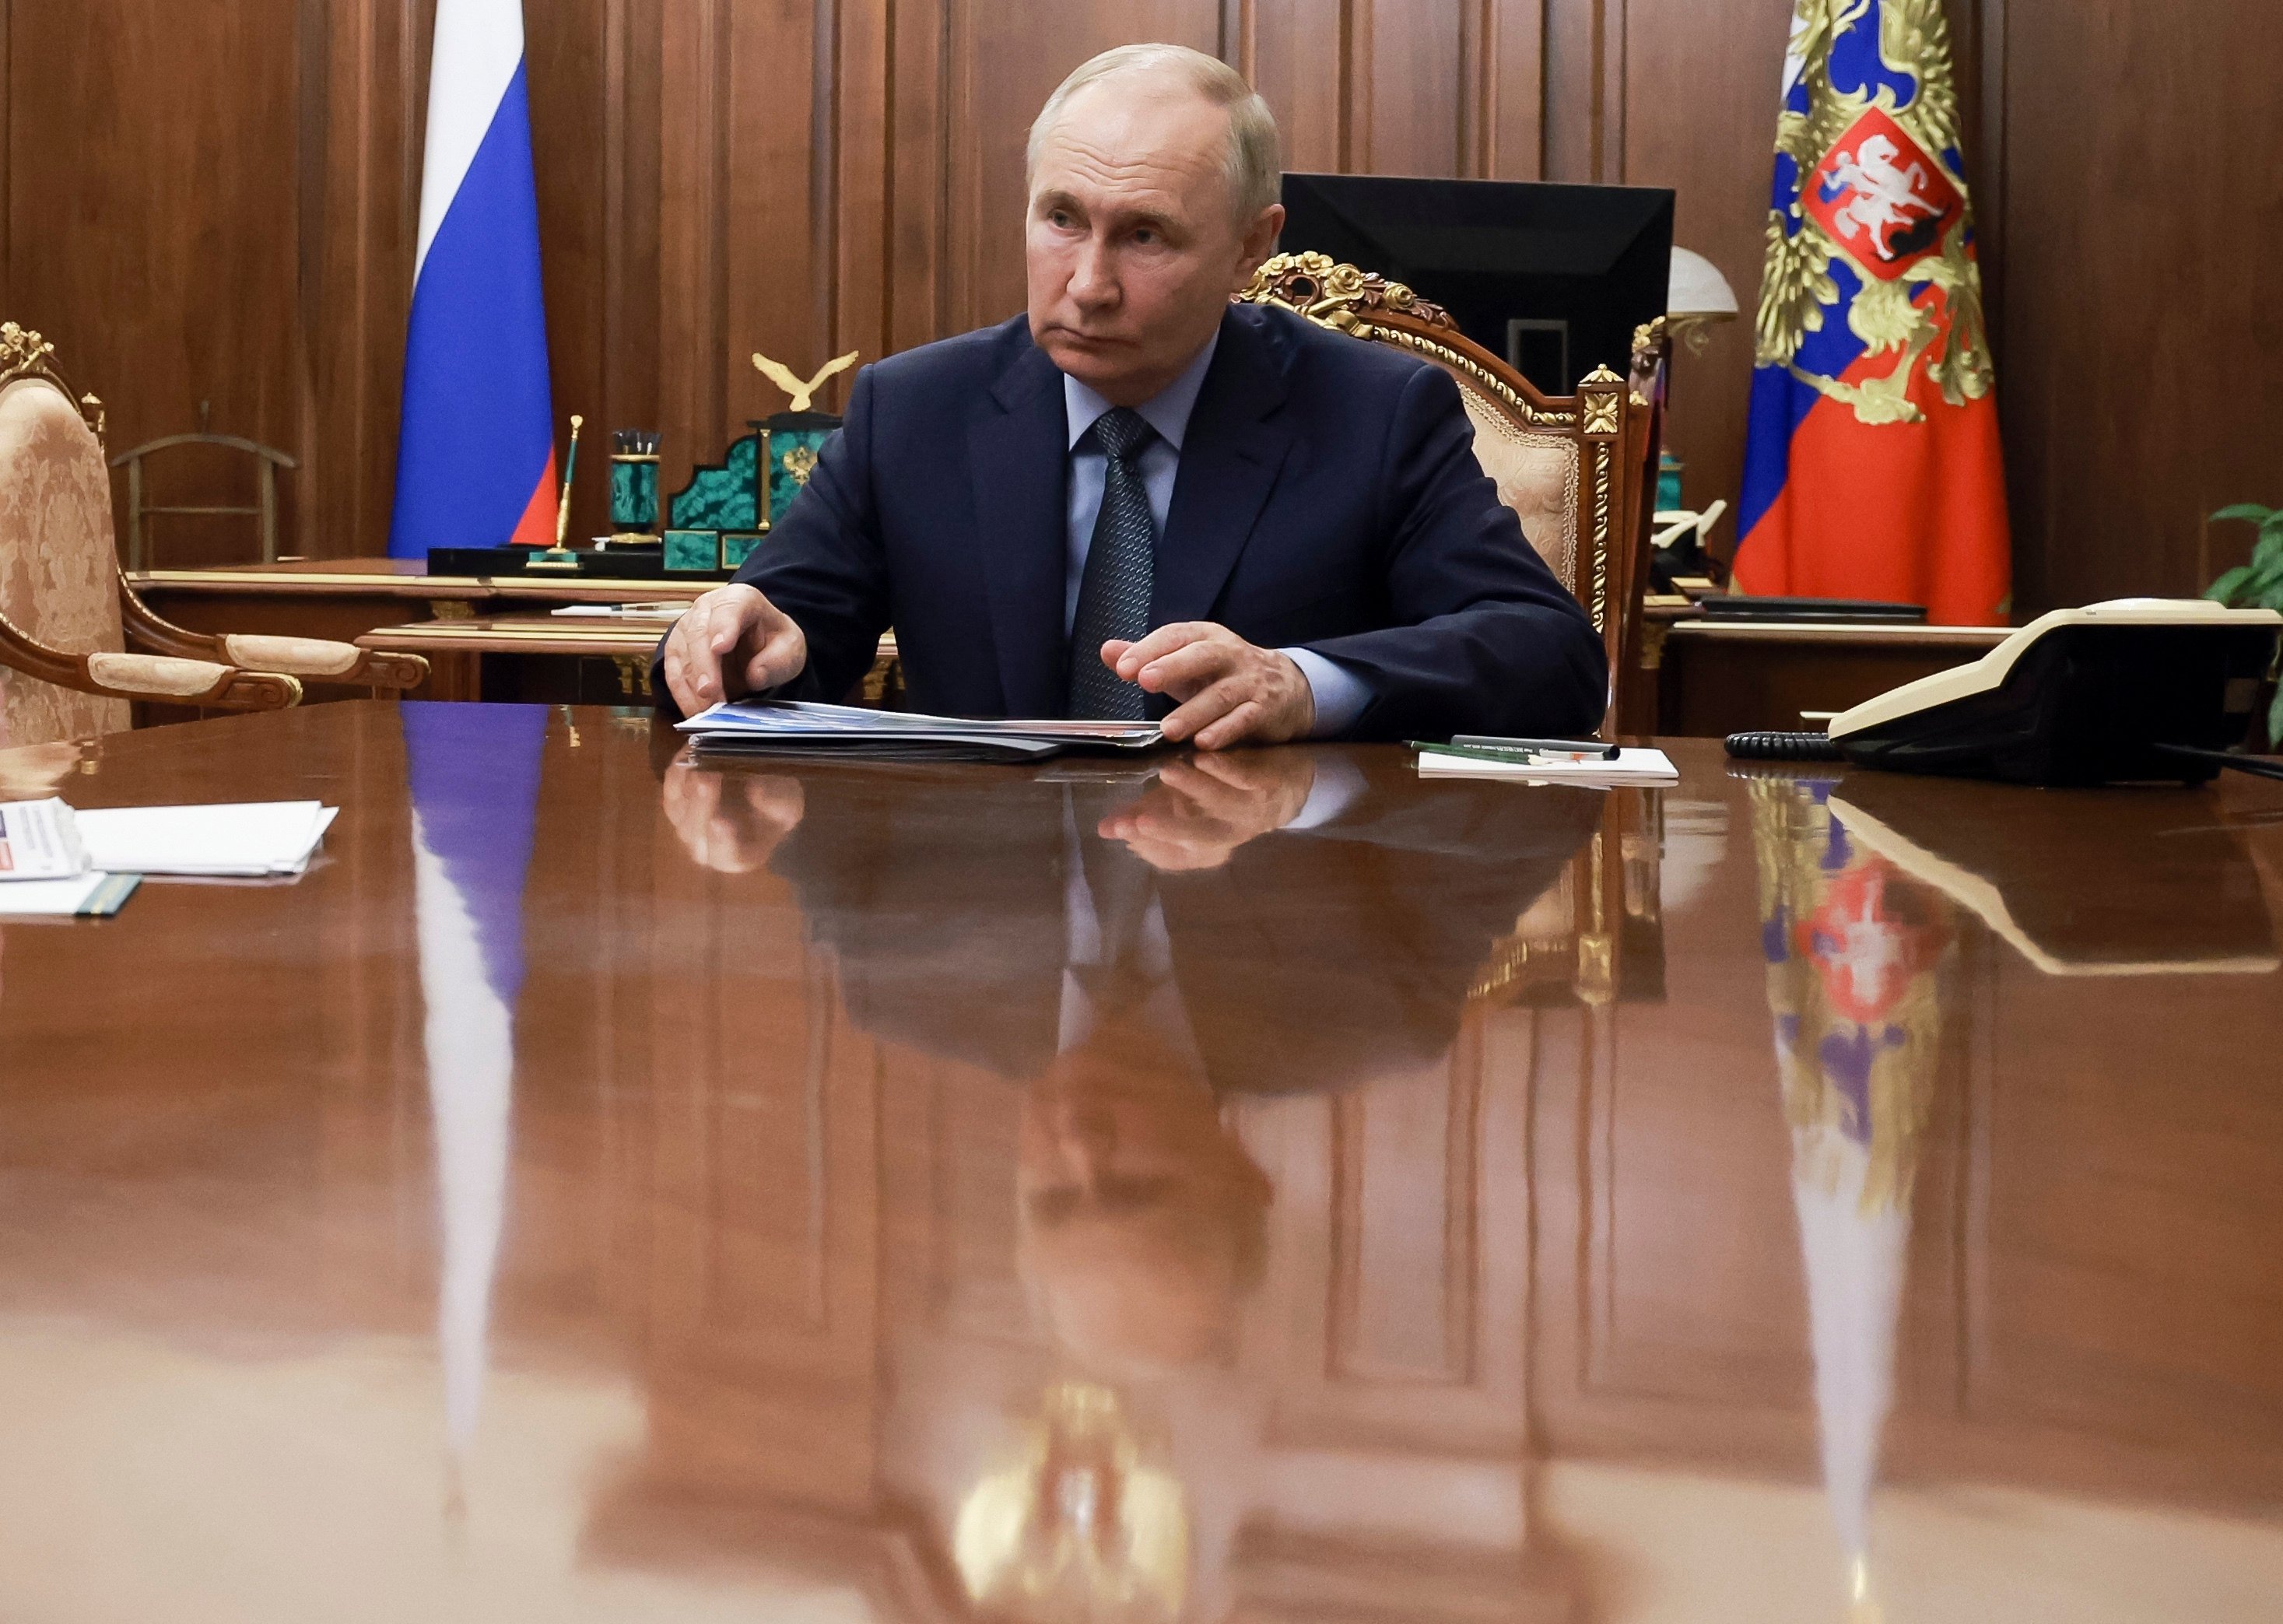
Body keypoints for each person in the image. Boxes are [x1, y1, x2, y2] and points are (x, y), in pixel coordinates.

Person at [657, 43, 1606, 745]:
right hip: (984, 942)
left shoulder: (1374, 413)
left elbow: (1549, 657)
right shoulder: (915, 410)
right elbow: (785, 638)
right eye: (1062, 219)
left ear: (1250, 245)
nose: (1089, 283)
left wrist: (1302, 686)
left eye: (1145, 235)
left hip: (1270, 938)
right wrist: (733, 642)